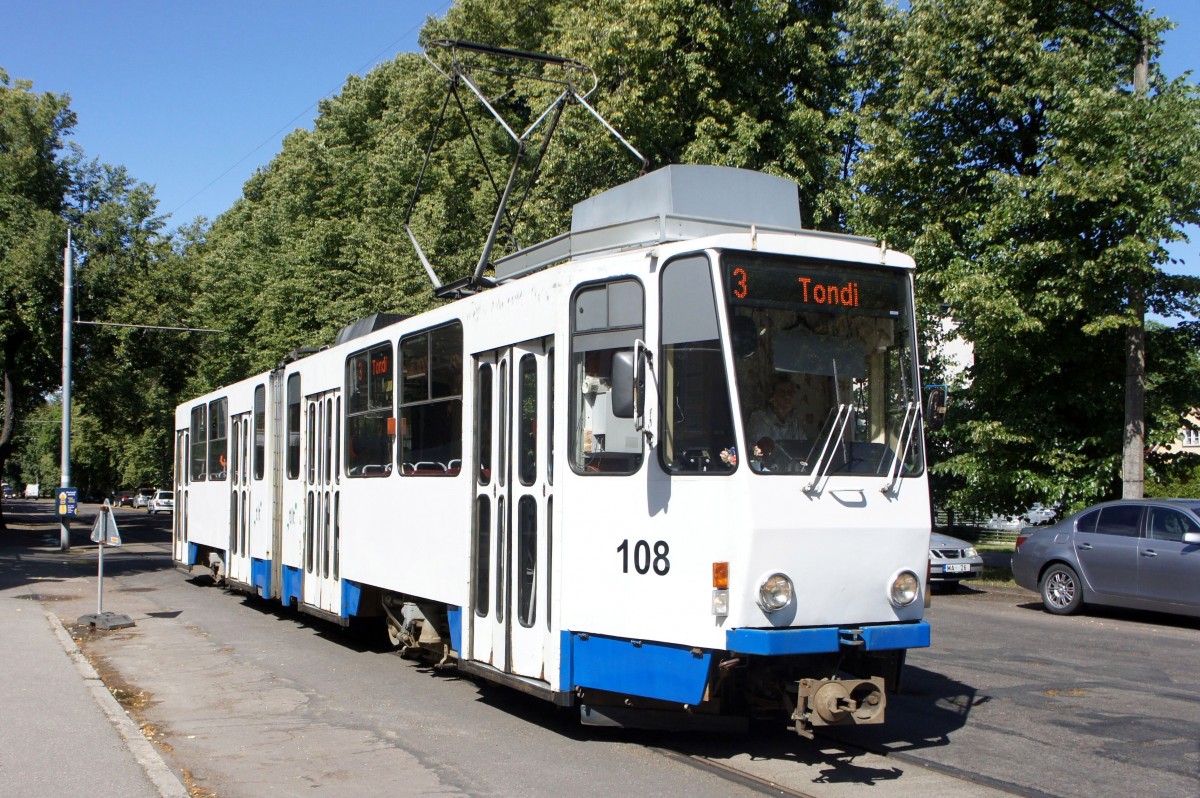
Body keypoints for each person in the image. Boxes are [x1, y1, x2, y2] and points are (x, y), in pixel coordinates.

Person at [748, 376, 806, 456]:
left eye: (790, 392)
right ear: (772, 397)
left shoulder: (794, 423)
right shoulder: (759, 418)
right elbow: (757, 451)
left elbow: (804, 451)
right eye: (782, 392)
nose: (787, 397)